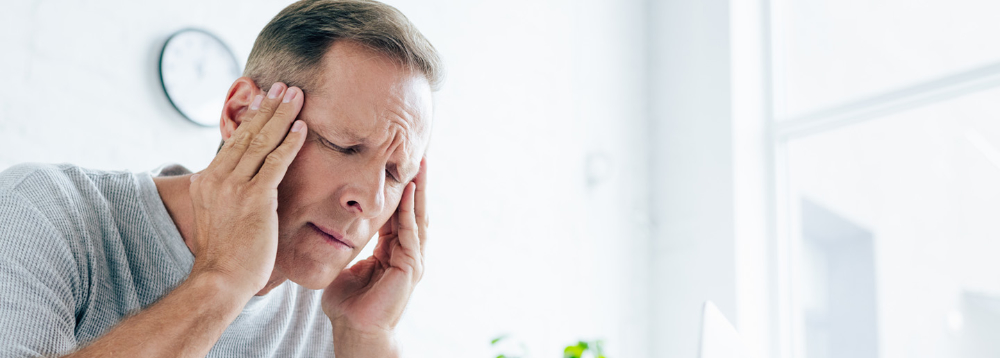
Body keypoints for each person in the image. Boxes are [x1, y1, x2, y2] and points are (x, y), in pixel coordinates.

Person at [0, 0, 441, 357]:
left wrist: (365, 340)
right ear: (241, 114)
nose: (368, 198)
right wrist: (222, 281)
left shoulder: (340, 317)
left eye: (394, 172)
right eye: (344, 146)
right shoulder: (42, 210)